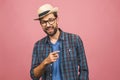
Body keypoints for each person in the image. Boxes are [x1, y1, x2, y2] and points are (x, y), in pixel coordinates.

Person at [30, 4, 89, 80]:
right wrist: (45, 62)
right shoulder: (38, 46)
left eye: (50, 20)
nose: (48, 25)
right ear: (40, 24)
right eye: (43, 22)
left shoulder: (75, 40)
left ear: (57, 19)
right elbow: (34, 76)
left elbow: (84, 70)